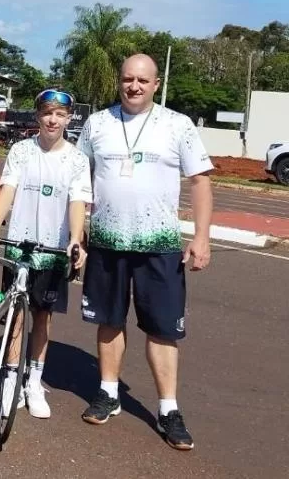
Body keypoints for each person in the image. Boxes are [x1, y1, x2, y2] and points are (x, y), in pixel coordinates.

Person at [76, 54, 213, 451]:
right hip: (106, 241)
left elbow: (200, 181)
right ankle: (108, 392)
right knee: (108, 321)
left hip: (160, 245)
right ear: (119, 81)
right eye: (127, 79)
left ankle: (169, 409)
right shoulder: (97, 123)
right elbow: (78, 176)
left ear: (156, 84)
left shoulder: (178, 125)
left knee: (163, 329)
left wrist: (201, 237)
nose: (133, 86)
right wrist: (77, 228)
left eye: (142, 80)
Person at [0, 88, 91, 419]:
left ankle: (33, 381)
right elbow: (8, 189)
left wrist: (75, 239)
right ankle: (10, 381)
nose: (53, 120)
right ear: (37, 116)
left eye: (60, 114)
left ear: (69, 119)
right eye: (47, 113)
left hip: (52, 250)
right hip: (20, 246)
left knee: (43, 317)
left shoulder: (76, 160)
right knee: (16, 315)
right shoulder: (21, 151)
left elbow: (78, 202)